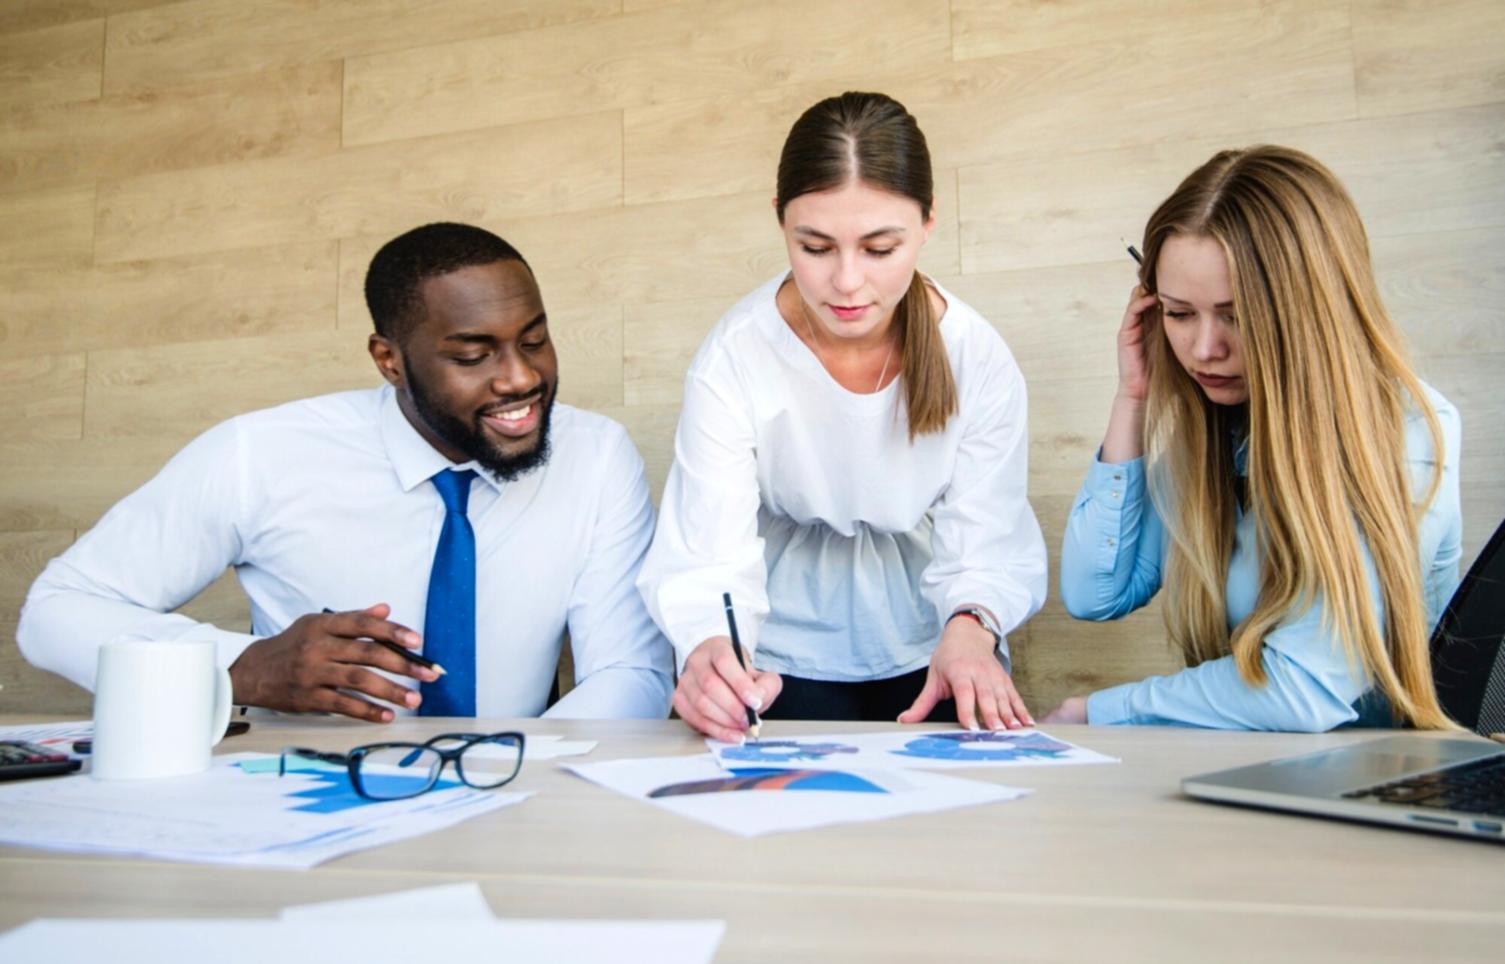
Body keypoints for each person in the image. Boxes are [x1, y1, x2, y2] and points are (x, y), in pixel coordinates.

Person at [18, 222, 674, 721]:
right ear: (389, 361)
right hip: (302, 804)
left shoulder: (595, 455)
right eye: (473, 356)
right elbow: (55, 613)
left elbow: (631, 671)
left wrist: (510, 777)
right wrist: (239, 667)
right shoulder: (261, 453)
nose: (521, 378)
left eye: (533, 340)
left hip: (518, 791)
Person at [637, 92, 1047, 744]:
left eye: (880, 248)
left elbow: (987, 538)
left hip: (931, 639)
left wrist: (972, 629)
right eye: (816, 247)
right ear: (780, 221)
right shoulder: (733, 355)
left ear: (928, 222)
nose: (847, 282)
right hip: (778, 652)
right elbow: (707, 554)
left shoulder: (976, 356)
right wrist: (711, 649)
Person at [1043, 146, 1462, 731]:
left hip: (1378, 767)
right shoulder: (1221, 430)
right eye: (1179, 314)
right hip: (1263, 762)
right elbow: (1096, 593)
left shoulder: (1406, 430)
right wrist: (1132, 398)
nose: (1204, 349)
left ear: (1311, 311)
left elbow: (1304, 688)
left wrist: (1101, 710)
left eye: (1236, 316)